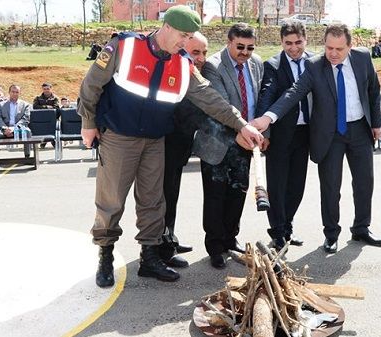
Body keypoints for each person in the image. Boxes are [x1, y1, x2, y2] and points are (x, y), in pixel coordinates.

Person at [78, 6, 263, 287]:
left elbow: (210, 98)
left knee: (154, 201)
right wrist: (88, 122)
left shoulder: (182, 63)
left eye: (189, 37)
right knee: (112, 200)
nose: (185, 42)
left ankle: (150, 257)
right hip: (119, 137)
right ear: (166, 27)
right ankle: (106, 254)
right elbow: (91, 85)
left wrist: (241, 124)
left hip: (154, 140)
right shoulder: (124, 46)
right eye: (182, 35)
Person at [253, 24, 381, 254]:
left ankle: (362, 228)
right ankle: (331, 234)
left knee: (365, 182)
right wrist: (268, 117)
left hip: (360, 130)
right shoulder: (315, 65)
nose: (333, 53)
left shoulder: (363, 58)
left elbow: (373, 91)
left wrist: (375, 123)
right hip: (330, 134)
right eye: (328, 48)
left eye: (339, 49)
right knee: (330, 186)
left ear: (350, 46)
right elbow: (293, 92)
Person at [200, 23, 264, 269]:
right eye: (240, 47)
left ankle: (230, 239)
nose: (245, 52)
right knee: (216, 196)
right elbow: (220, 106)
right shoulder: (213, 66)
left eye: (250, 48)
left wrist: (259, 130)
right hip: (217, 142)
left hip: (245, 142)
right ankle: (215, 247)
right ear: (229, 42)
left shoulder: (256, 63)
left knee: (238, 192)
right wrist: (242, 130)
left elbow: (257, 101)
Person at [256, 20, 313, 251]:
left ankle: (287, 227)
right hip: (280, 135)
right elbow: (267, 96)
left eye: (298, 42)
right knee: (277, 186)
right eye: (288, 43)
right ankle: (277, 232)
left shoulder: (315, 63)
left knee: (296, 185)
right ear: (281, 42)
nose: (293, 47)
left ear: (305, 40)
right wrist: (265, 130)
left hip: (305, 133)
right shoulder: (273, 65)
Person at [159, 32, 210, 270]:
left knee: (173, 195)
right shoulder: (173, 70)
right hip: (164, 145)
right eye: (195, 52)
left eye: (204, 52)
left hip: (180, 146)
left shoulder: (197, 73)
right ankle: (162, 250)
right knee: (162, 198)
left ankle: (170, 238)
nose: (200, 58)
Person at [0, 85, 32, 158]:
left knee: (27, 131)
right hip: (3, 128)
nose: (14, 94)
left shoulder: (25, 105)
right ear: (9, 92)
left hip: (19, 128)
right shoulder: (1, 104)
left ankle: (27, 156)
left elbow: (25, 119)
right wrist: (4, 128)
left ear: (19, 93)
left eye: (17, 92)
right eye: (13, 92)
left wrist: (13, 129)